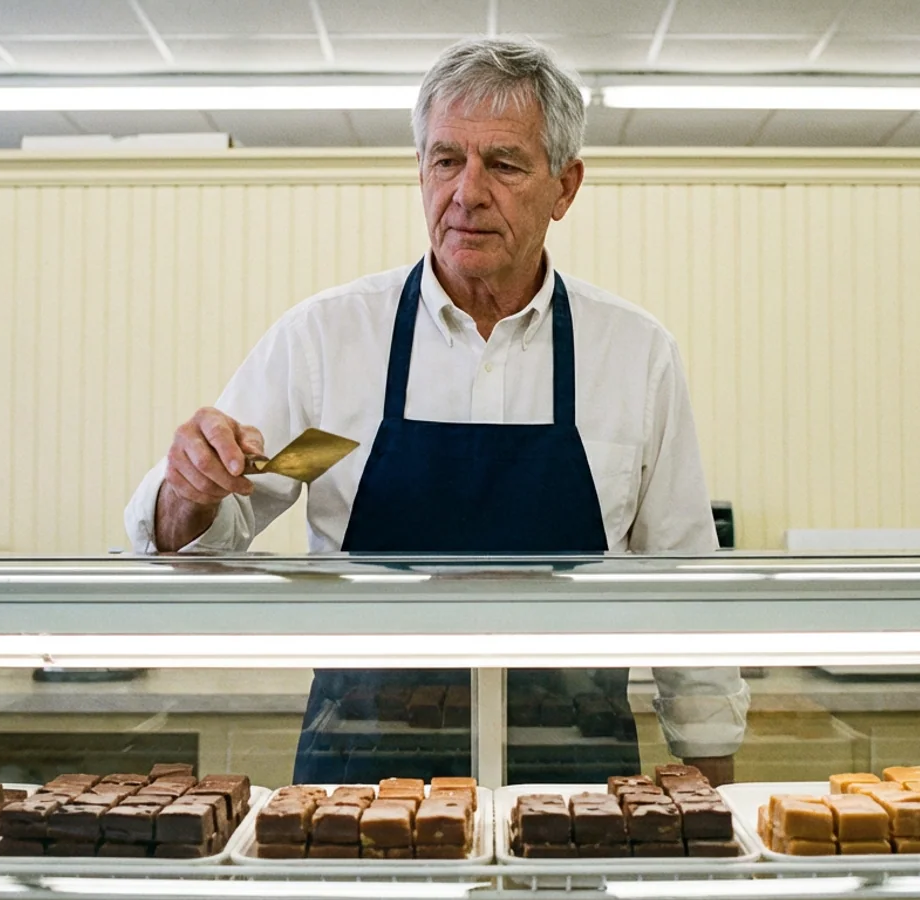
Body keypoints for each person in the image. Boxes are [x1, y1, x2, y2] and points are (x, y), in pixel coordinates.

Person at [126, 37, 748, 786]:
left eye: (505, 165)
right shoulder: (332, 345)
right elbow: (208, 536)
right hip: (360, 782)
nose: (467, 192)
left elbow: (683, 583)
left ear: (565, 186)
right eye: (446, 160)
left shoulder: (634, 356)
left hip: (575, 779)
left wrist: (713, 787)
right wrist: (186, 492)